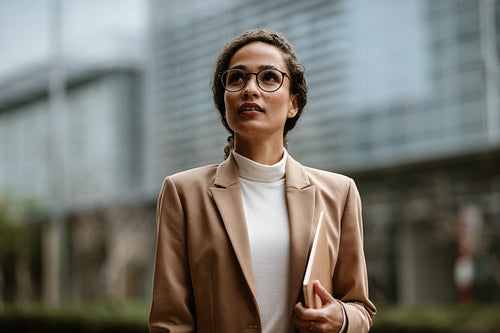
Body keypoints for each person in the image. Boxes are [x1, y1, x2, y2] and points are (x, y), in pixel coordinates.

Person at [149, 28, 376, 333]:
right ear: (224, 102)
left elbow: (359, 307)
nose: (250, 89)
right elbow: (170, 321)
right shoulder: (183, 193)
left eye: (269, 77)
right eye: (236, 78)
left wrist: (342, 319)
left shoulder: (339, 193)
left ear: (293, 103)